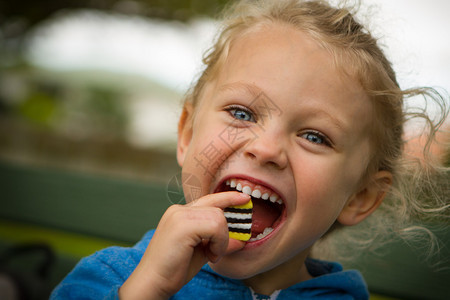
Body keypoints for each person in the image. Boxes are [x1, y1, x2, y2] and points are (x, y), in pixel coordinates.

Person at [50, 0, 449, 299]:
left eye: (314, 136)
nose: (266, 148)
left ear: (360, 197)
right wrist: (148, 290)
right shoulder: (109, 279)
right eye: (241, 112)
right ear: (187, 133)